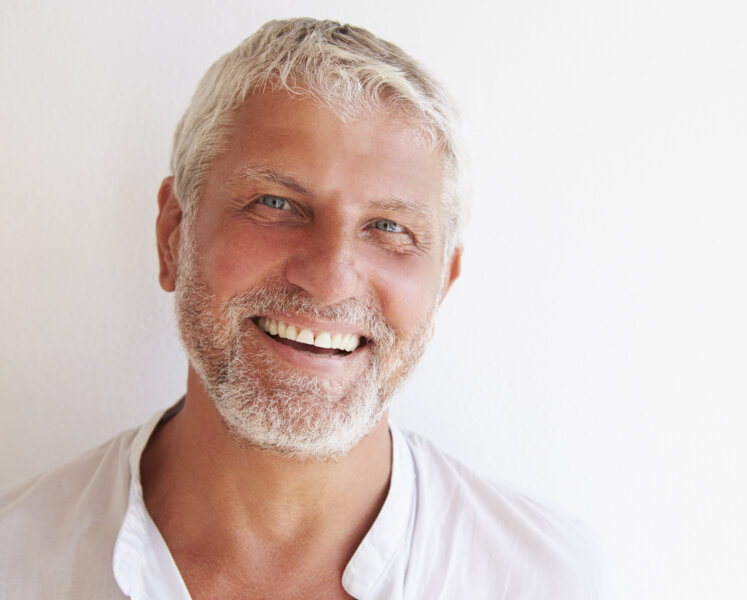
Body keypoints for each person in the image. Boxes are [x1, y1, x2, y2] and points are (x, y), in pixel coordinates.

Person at [0, 18, 600, 599]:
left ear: (444, 282)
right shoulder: (15, 563)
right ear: (172, 235)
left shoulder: (540, 580)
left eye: (389, 227)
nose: (330, 279)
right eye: (276, 203)